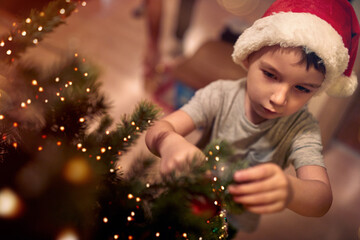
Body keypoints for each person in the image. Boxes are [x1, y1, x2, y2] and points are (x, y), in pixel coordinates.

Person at [145, 0, 360, 232]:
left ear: (317, 90)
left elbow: (321, 198)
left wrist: (289, 190)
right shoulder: (220, 95)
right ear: (248, 57)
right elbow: (157, 130)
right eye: (270, 74)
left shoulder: (301, 129)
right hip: (183, 193)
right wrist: (170, 142)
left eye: (302, 89)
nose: (279, 98)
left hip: (228, 221)